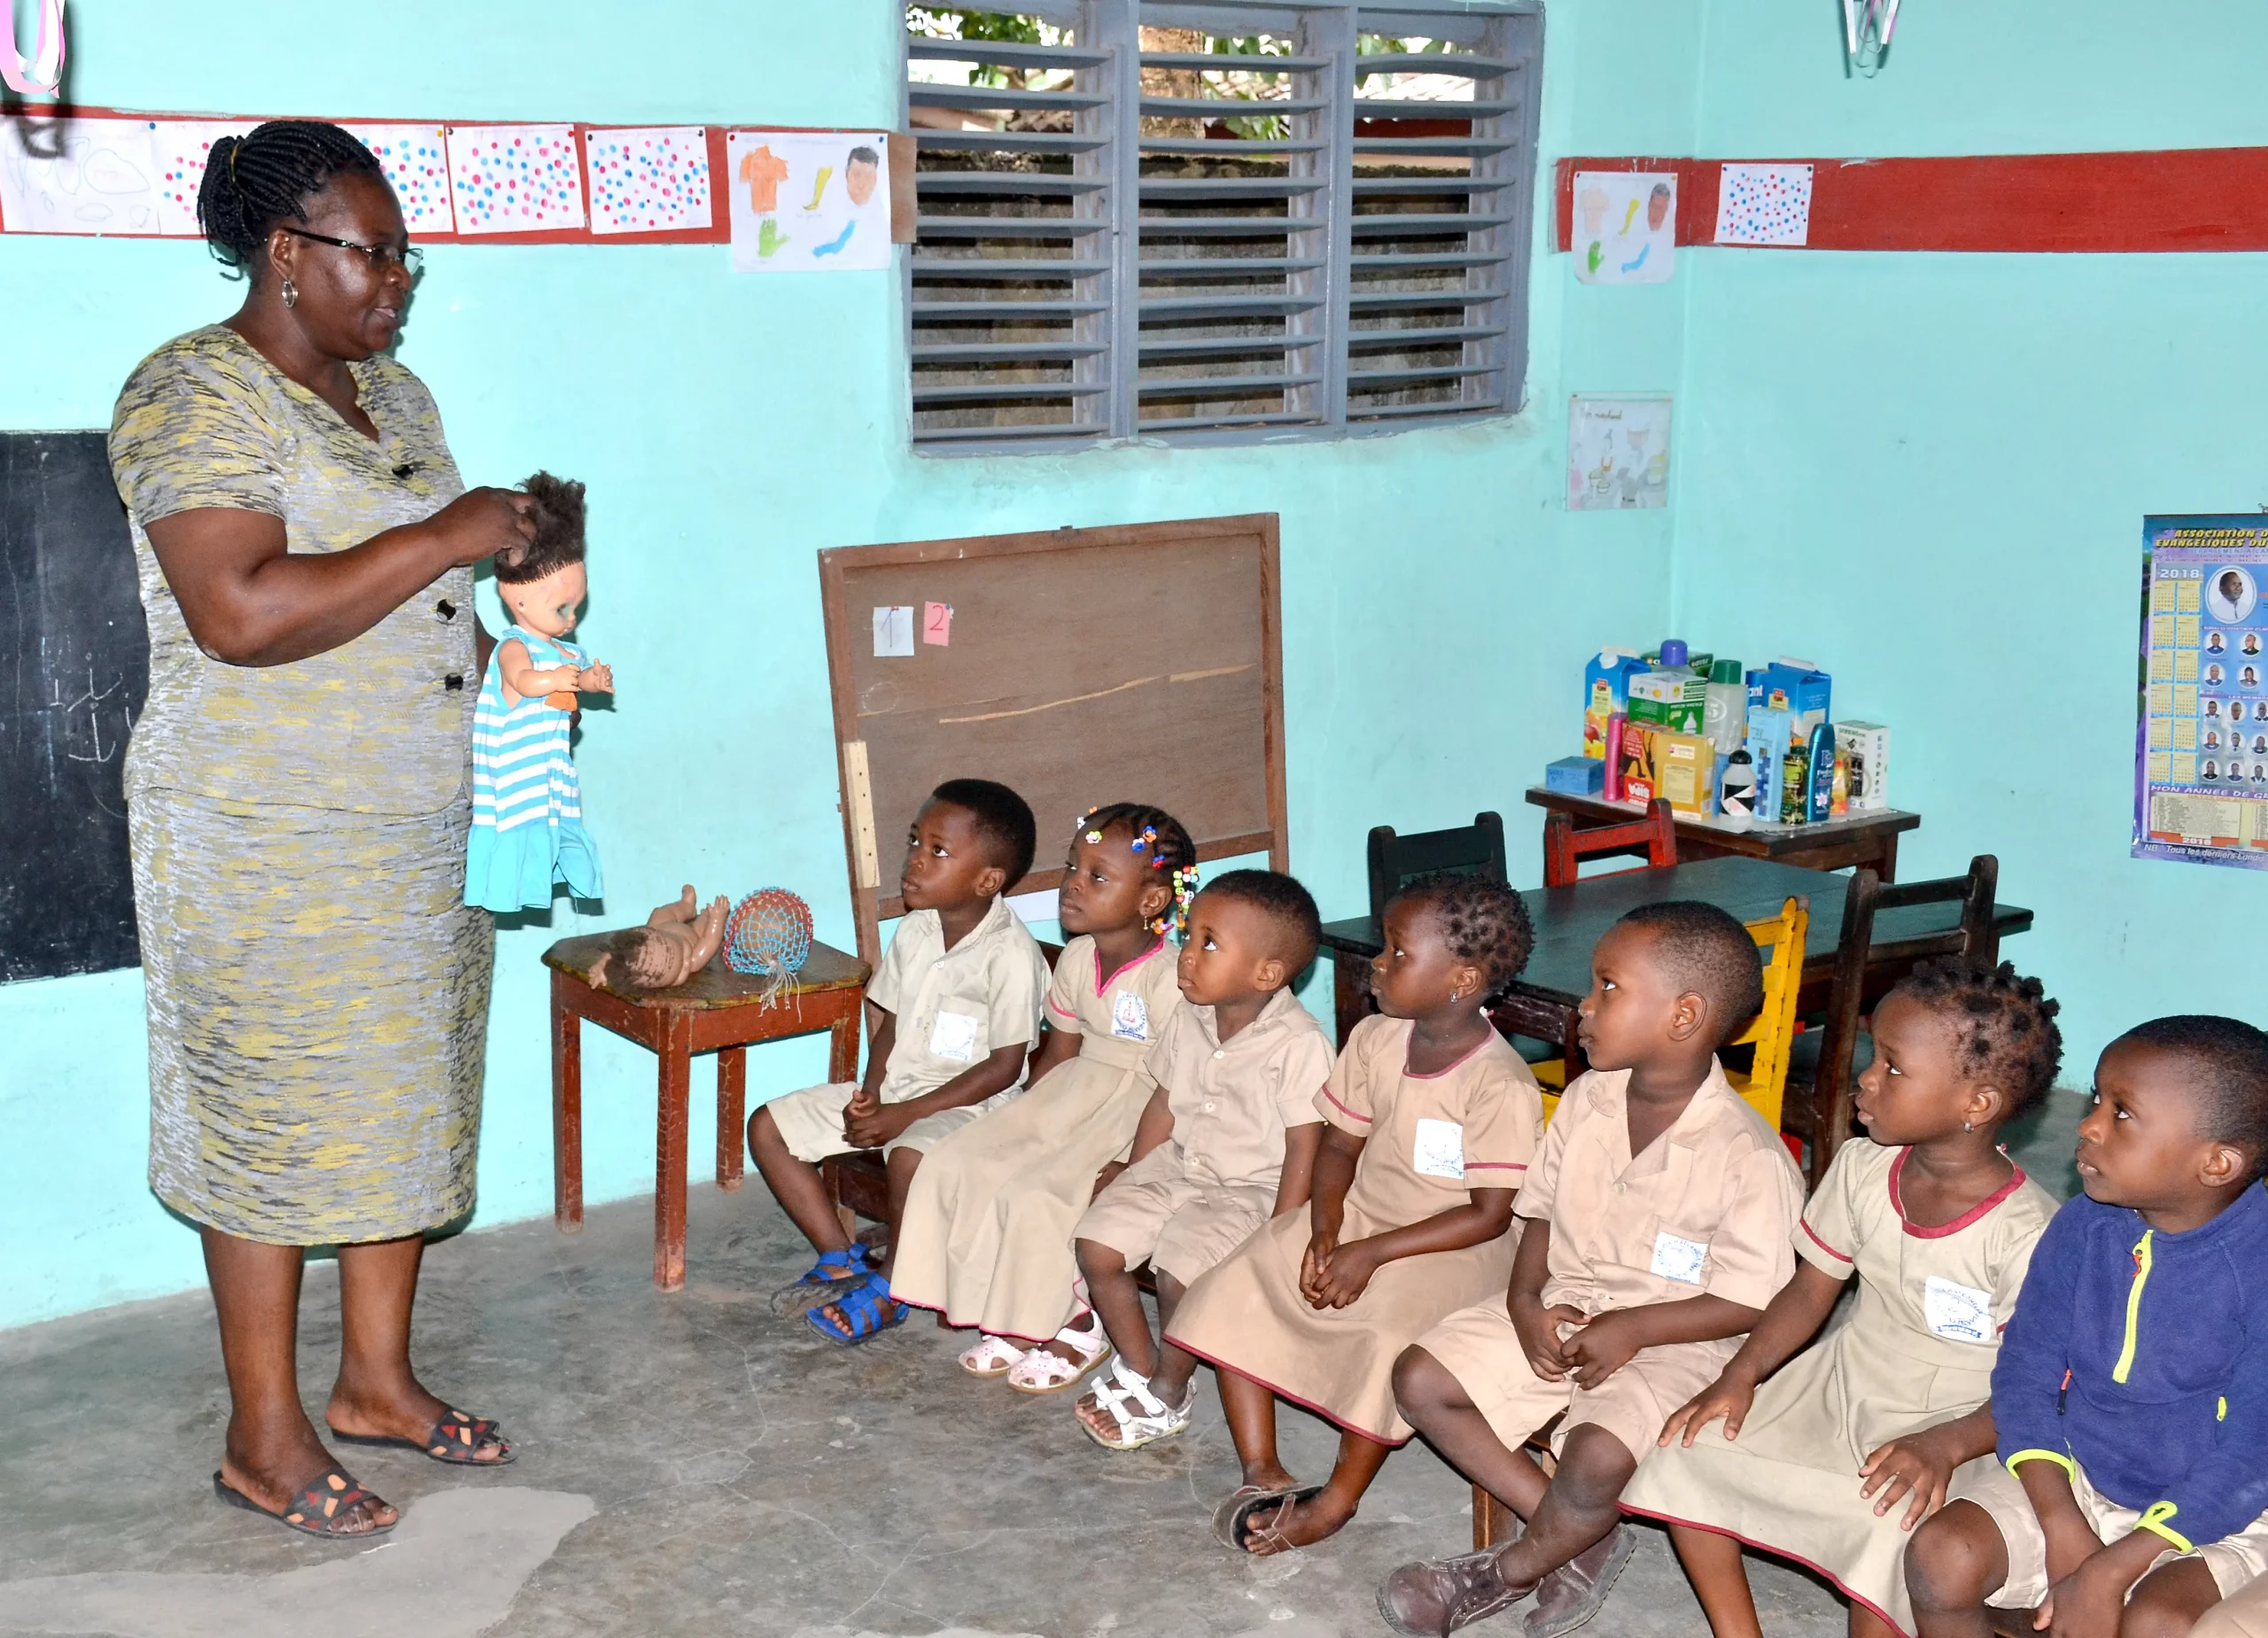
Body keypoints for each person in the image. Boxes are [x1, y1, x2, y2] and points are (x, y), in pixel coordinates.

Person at [108, 120, 540, 1539]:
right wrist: (451, 536)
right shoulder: (187, 394)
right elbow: (239, 611)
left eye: (409, 255)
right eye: (375, 254)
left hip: (414, 822)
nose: (400, 280)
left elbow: (426, 589)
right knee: (270, 1118)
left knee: (402, 1096)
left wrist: (523, 645)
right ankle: (265, 1432)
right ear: (287, 254)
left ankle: (374, 1382)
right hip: (257, 834)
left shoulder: (395, 398)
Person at [1379, 902, 1806, 1638]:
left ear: (1683, 1016)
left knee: (1599, 1454)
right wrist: (1521, 1299)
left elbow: (1751, 1298)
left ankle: (1500, 1571)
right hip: (1564, 1304)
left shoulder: (1748, 1155)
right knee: (1420, 1377)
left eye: (1610, 987)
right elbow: (1537, 1213)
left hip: (1679, 1338)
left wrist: (1635, 1326)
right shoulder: (1586, 1099)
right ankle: (1580, 1534)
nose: (1585, 1003)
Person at [1622, 960, 2064, 1638]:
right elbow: (1810, 1289)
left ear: (1977, 1105)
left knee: (1891, 1527)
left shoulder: (2029, 1230)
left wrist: (1946, 1444)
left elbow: (2040, 1384)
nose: (1866, 1077)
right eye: (1872, 1054)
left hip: (1966, 1412)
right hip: (1849, 1375)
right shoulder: (1864, 1166)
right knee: (1688, 1447)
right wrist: (1738, 1375)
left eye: (1893, 1066)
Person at [1168, 875, 1542, 1556]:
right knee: (1245, 1272)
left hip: (1455, 1243)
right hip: (1366, 1212)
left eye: (1398, 952)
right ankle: (1262, 1468)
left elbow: (1490, 1214)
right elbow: (1339, 1142)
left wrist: (1369, 1255)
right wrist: (1325, 1229)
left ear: (1460, 979)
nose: (1377, 962)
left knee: (1390, 1332)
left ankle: (1336, 1501)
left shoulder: (1499, 1081)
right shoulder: (1375, 1038)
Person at [1904, 1015, 2268, 1638]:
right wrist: (2062, 1521)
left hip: (2227, 1508)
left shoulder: (2256, 1269)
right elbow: (2026, 1375)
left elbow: (2247, 1458)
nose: (2087, 1124)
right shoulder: (2083, 1226)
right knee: (1941, 1558)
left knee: (2155, 1620)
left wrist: (2107, 1570)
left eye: (2122, 1113)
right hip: (2087, 1472)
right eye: (2097, 1098)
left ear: (2216, 1162)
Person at [890, 803, 1198, 1391]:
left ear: (1153, 900)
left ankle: (1078, 1322)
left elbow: (1175, 1086)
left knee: (1041, 1194)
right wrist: (1018, 1114)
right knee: (966, 1161)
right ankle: (1011, 1311)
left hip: (1138, 1106)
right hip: (1073, 1089)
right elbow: (1060, 1051)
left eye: (1097, 876)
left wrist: (1134, 1163)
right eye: (1072, 866)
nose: (1073, 884)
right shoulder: (1079, 959)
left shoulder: (1167, 977)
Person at [748, 779, 1049, 1343]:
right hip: (899, 1090)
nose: (915, 859)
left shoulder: (1010, 955)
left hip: (972, 1105)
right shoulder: (916, 929)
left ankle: (892, 1288)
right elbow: (889, 1021)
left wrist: (903, 1116)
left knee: (909, 1154)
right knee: (768, 1128)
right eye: (916, 841)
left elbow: (1004, 1066)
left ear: (988, 880)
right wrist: (871, 1093)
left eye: (938, 851)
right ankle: (840, 1259)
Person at [1070, 871, 1334, 1451]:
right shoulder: (1190, 1016)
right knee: (1096, 1245)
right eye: (1189, 938)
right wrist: (1133, 1168)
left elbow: (1303, 1146)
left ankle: (1169, 1387)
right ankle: (1142, 1366)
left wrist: (1283, 1231)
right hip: (1178, 1165)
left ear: (1266, 972)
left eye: (1208, 944)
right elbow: (1164, 1101)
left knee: (1177, 1271)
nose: (1187, 957)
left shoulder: (1299, 1045)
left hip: (1250, 1189)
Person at [464, 472, 610, 912]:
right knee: (519, 841)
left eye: (576, 608)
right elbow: (523, 682)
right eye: (561, 609)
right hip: (514, 779)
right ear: (519, 598)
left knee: (555, 827)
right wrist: (554, 681)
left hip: (549, 772)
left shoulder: (564, 649)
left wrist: (592, 681)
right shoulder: (513, 647)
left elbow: (578, 676)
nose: (570, 620)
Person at [589, 886, 729, 993]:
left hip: (661, 926)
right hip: (693, 934)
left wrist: (602, 966)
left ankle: (686, 907)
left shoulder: (655, 929)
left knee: (660, 913)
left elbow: (614, 952)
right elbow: (710, 940)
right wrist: (716, 919)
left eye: (683, 954)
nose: (687, 963)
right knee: (701, 929)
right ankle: (705, 917)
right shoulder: (693, 958)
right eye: (681, 972)